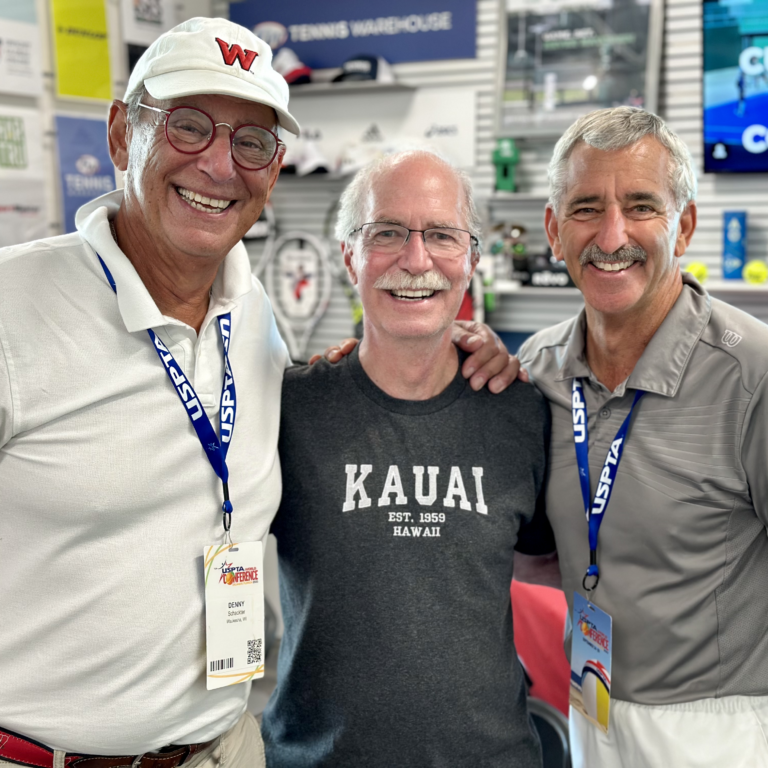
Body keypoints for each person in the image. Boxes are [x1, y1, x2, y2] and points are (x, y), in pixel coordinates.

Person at [0, 18, 515, 768]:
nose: (219, 164)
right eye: (187, 126)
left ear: (274, 172)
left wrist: (435, 347)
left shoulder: (253, 317)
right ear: (121, 135)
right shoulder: (14, 306)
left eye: (252, 142)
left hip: (226, 746)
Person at [262, 150, 555, 767]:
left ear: (473, 260)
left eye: (442, 236)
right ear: (349, 255)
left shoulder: (523, 412)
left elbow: (548, 563)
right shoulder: (287, 410)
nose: (415, 260)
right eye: (387, 233)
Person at [517, 106, 768, 767]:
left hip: (718, 730)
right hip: (589, 709)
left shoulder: (754, 374)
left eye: (640, 206)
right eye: (586, 208)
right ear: (553, 230)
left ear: (683, 226)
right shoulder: (535, 372)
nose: (612, 234)